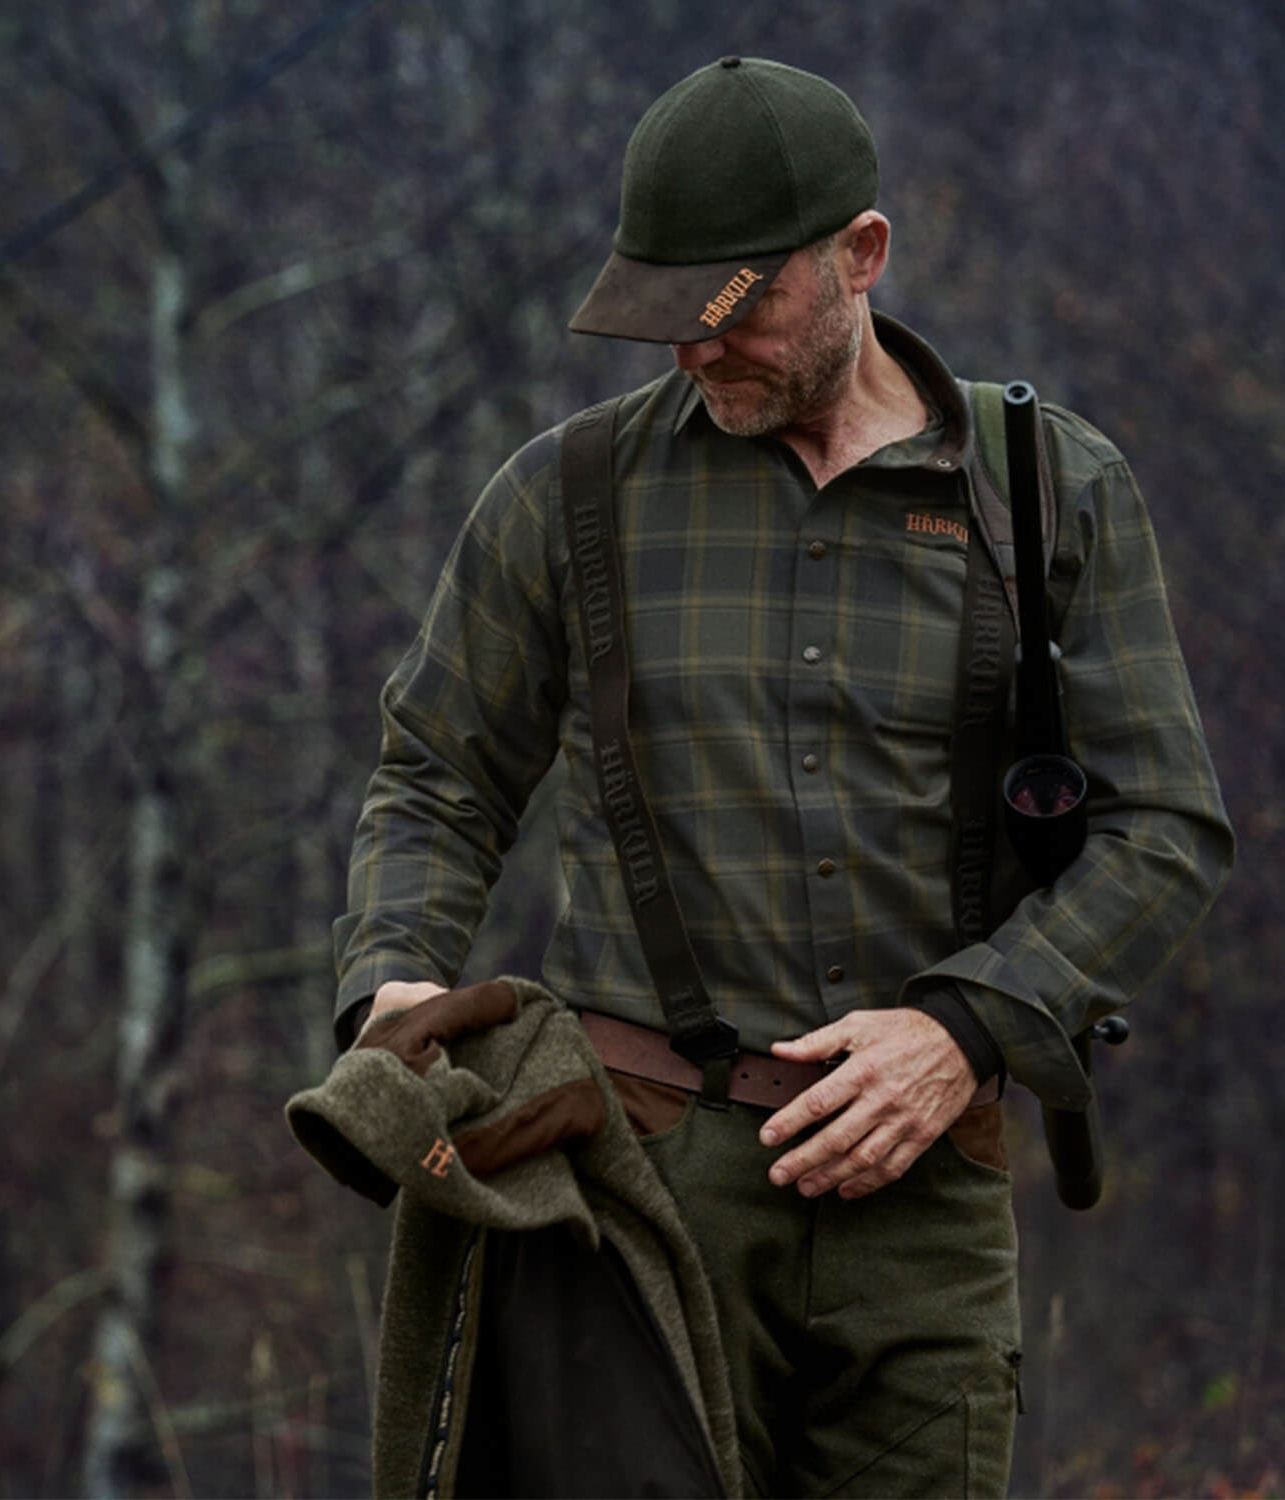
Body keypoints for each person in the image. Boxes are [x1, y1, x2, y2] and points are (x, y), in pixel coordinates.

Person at [330, 56, 1233, 1498]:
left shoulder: (1055, 491)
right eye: (664, 319)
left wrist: (966, 1031)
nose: (695, 351)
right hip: (640, 1184)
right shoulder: (567, 496)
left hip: (925, 1188)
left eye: (736, 311)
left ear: (861, 255)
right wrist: (393, 977)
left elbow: (1166, 829)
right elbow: (438, 774)